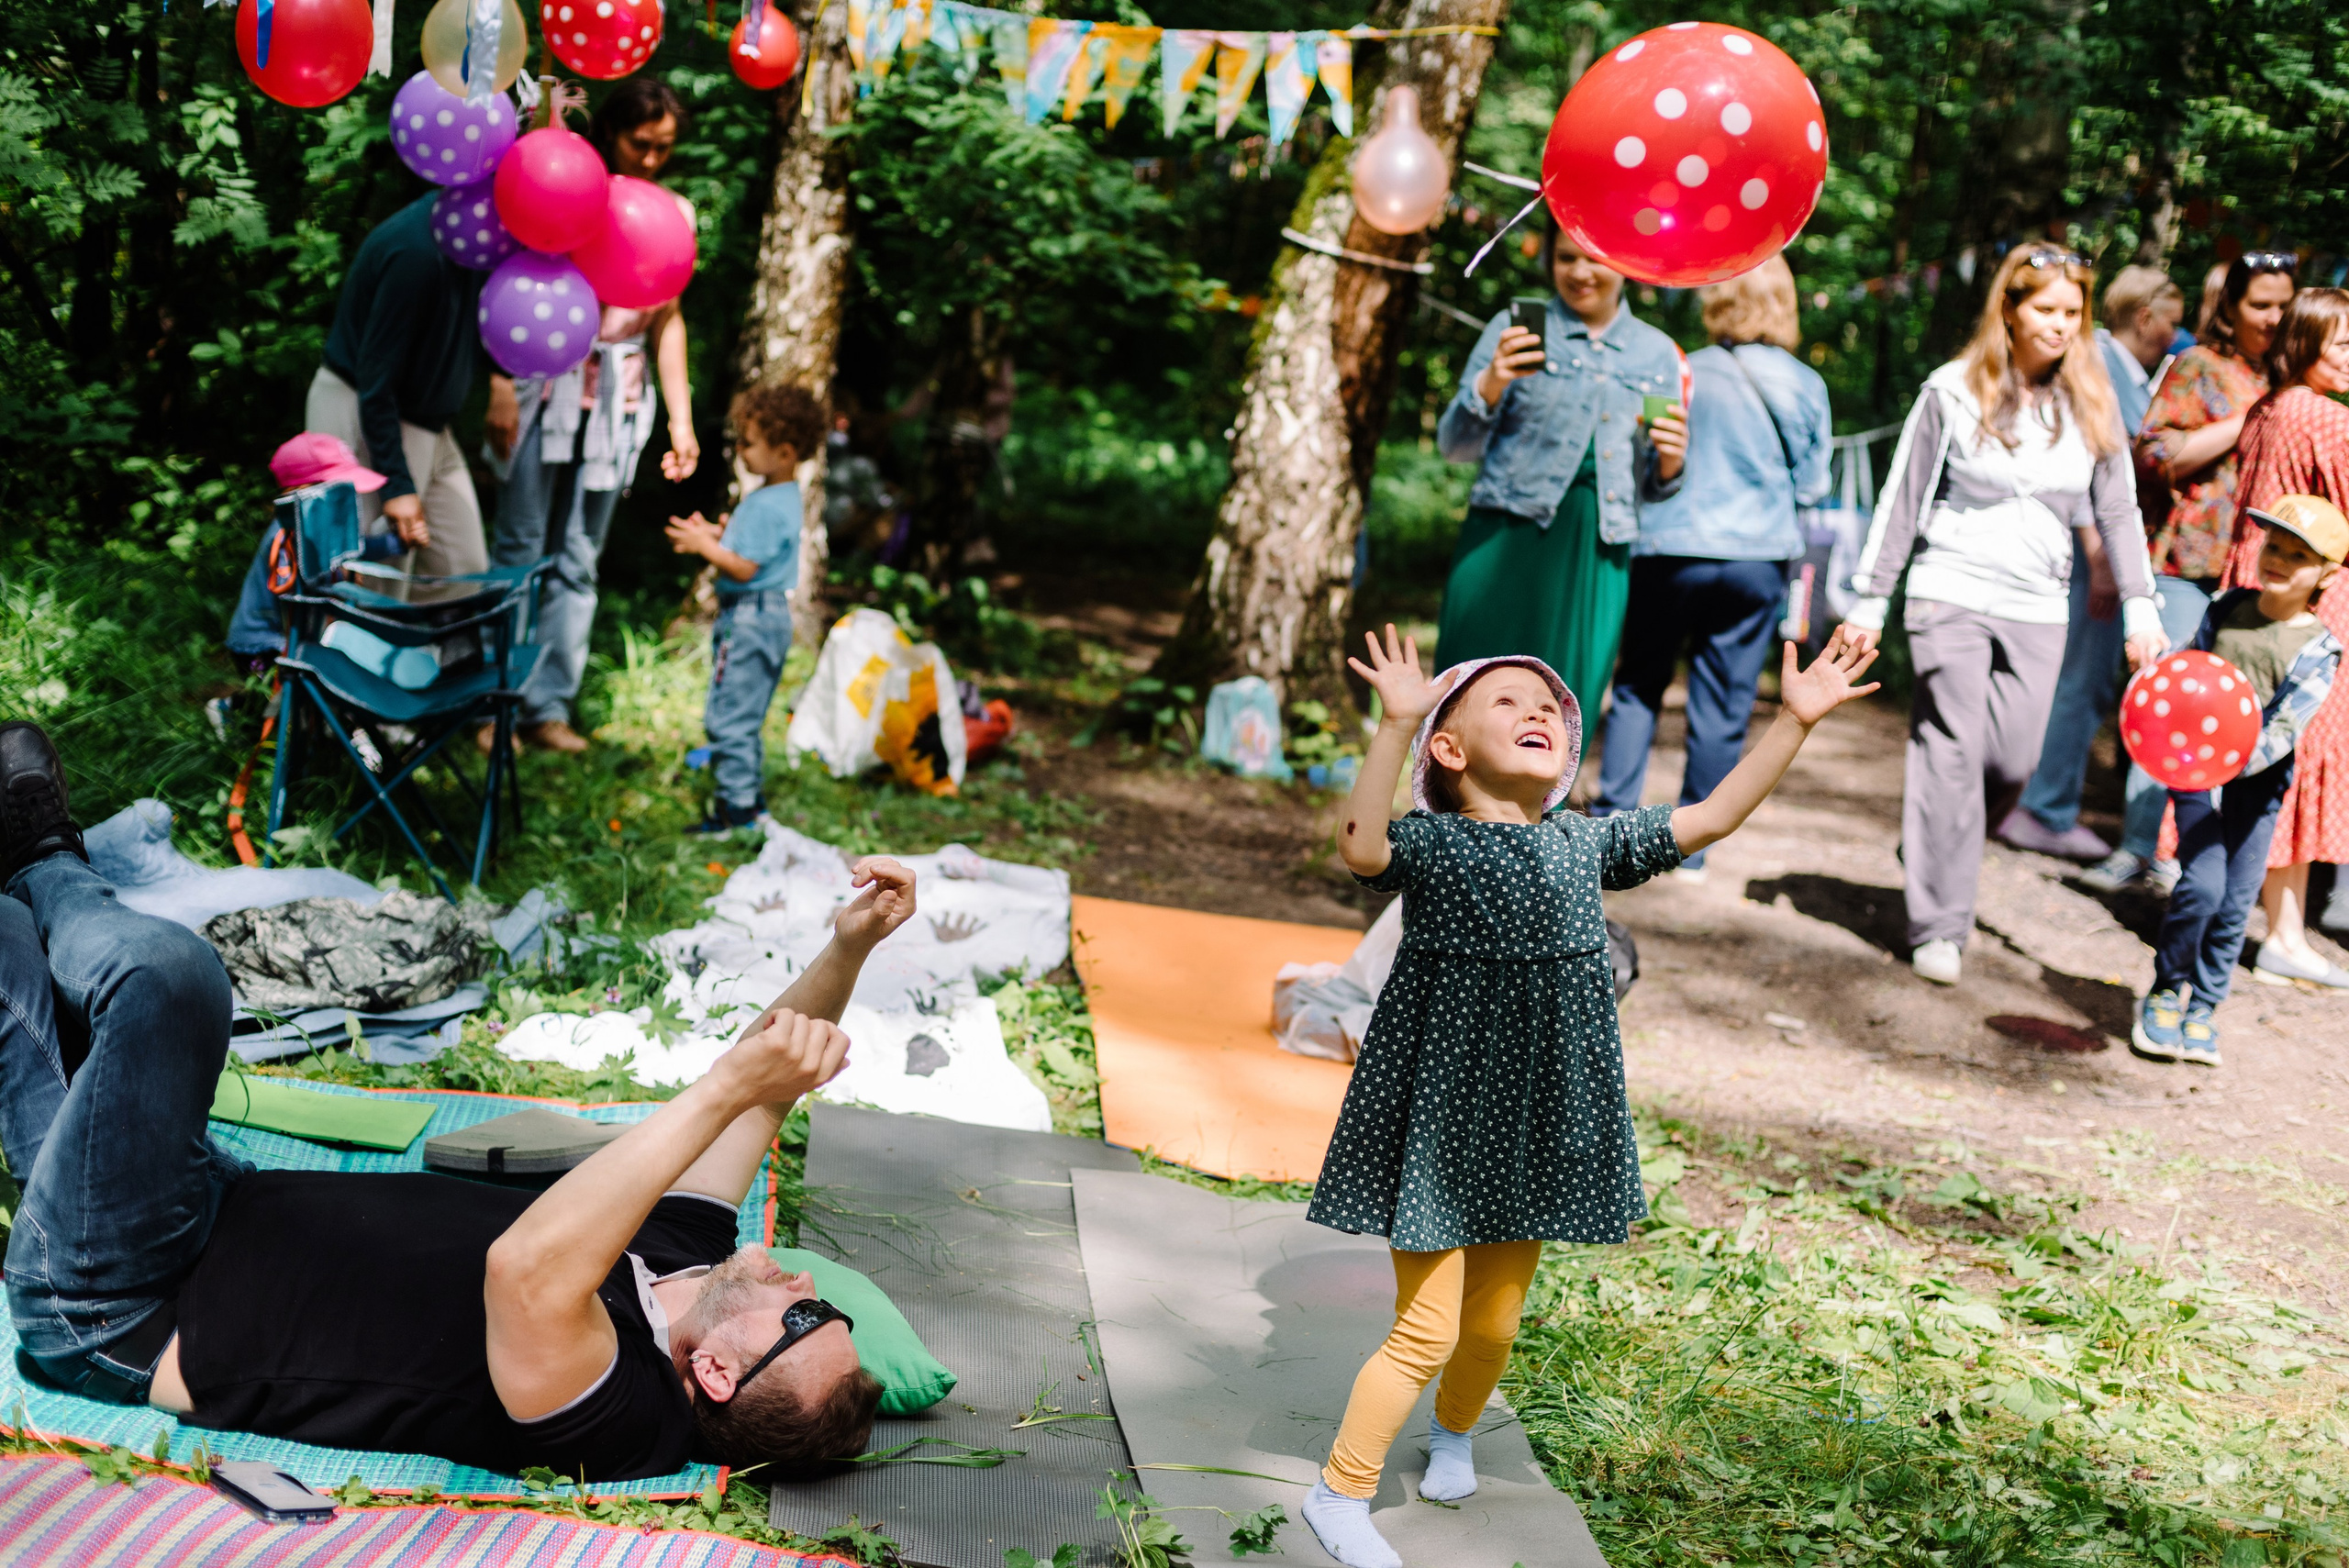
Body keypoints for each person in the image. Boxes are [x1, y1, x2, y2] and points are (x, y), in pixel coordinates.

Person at [0, 721, 903, 1479]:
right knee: (10, 956)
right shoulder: (684, 1266)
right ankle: (29, 873)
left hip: (120, 1299)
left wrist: (717, 1088)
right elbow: (762, 1090)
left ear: (713, 1372)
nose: (809, 1282)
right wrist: (850, 945)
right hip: (206, 1197)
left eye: (802, 1317)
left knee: (170, 977)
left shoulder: (623, 1414)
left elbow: (530, 1270)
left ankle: (44, 853)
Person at [1298, 624, 1880, 1568]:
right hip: (1443, 1119)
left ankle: (1451, 1431)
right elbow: (1362, 846)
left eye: (1549, 707)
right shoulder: (1435, 843)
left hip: (1536, 1115)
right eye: (1507, 701)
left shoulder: (1586, 843)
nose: (1536, 711)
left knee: (1494, 1318)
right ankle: (1339, 1489)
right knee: (1428, 1322)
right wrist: (1393, 723)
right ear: (1447, 748)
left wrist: (1794, 721)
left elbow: (1713, 815)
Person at [1842, 246, 2168, 987]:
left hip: (2036, 602)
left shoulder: (2089, 400)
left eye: (2072, 312)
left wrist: (2141, 604)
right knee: (1950, 749)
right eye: (2046, 309)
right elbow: (1905, 495)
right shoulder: (1953, 390)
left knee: (2011, 764)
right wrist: (1870, 599)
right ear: (2011, 311)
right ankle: (1939, 925)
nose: (2061, 325)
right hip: (1948, 587)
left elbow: (2116, 506)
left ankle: (1934, 840)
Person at [1592, 257, 1831, 880]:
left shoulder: (1675, 370)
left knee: (1641, 685)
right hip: (1757, 560)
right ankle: (1691, 850)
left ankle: (1608, 827)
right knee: (1724, 702)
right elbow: (1813, 484)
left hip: (1669, 553)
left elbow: (1650, 470)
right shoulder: (1807, 384)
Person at [486, 81, 703, 755]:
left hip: (618, 401)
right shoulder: (572, 189)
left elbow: (668, 318)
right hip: (542, 385)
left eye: (665, 147)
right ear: (613, 133)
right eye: (643, 143)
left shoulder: (676, 212)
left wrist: (681, 419)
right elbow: (514, 275)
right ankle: (492, 704)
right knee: (518, 547)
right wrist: (498, 378)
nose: (652, 158)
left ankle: (547, 708)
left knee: (579, 557)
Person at [2079, 251, 2299, 893]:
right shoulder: (2200, 366)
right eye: (2260, 303)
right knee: (2169, 702)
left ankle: (2193, 860)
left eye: (2283, 304)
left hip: (2259, 573)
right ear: (2231, 305)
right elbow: (2151, 455)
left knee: (2235, 717)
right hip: (2186, 564)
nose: (2273, 316)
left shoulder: (2291, 377)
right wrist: (2245, 421)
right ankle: (2138, 847)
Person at [1433, 226, 1688, 730]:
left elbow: (1657, 485)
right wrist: (1492, 382)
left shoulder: (1656, 353)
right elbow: (1454, 445)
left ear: (1627, 265)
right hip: (1504, 535)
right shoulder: (1514, 327)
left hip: (1597, 546)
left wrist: (1672, 461)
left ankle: (1545, 810)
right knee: (1465, 693)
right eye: (1566, 257)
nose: (1579, 272)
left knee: (1565, 706)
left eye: (1595, 259)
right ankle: (1444, 808)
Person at [2134, 496, 2343, 1062]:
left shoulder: (2320, 647)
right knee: (2201, 884)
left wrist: (2233, 760)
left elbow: (2285, 728)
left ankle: (2204, 1006)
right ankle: (2165, 990)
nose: (2276, 559)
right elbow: (2190, 669)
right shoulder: (2227, 606)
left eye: (2296, 556)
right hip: (2197, 770)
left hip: (2258, 781)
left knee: (2235, 900)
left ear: (2325, 574)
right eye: (2272, 546)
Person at [1998, 264, 2187, 862]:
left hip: (2106, 555)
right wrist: (2103, 559)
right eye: (2171, 324)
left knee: (2080, 680)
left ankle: (2035, 799)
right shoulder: (2102, 366)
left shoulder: (2132, 373)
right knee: (2080, 681)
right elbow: (2089, 467)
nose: (2175, 336)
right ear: (2145, 317)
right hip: (2091, 558)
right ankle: (2044, 808)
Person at [2211, 288, 2349, 985]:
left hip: (2249, 589)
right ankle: (2283, 933)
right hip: (2310, 598)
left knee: (2253, 749)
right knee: (2296, 759)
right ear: (2307, 343)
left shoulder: (2267, 407)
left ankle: (2249, 914)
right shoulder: (2325, 417)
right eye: (2343, 343)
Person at [308, 192, 505, 589]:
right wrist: (396, 485)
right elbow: (375, 380)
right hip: (366, 408)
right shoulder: (415, 251)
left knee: (462, 571)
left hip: (428, 422)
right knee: (375, 580)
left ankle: (435, 652)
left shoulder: (483, 242)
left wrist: (504, 381)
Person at [668, 384, 823, 833]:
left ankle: (734, 815)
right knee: (745, 713)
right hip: (768, 615)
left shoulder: (764, 505)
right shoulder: (782, 499)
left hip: (750, 618)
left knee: (729, 716)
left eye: (749, 443)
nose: (740, 449)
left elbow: (742, 568)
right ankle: (748, 803)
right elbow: (751, 556)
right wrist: (716, 539)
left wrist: (705, 547)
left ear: (785, 452)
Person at [225, 434, 414, 667]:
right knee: (277, 696)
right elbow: (295, 583)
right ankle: (238, 703)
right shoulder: (286, 536)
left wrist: (398, 543)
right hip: (262, 645)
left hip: (300, 637)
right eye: (337, 491)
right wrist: (342, 576)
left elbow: (355, 549)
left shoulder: (317, 526)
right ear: (305, 491)